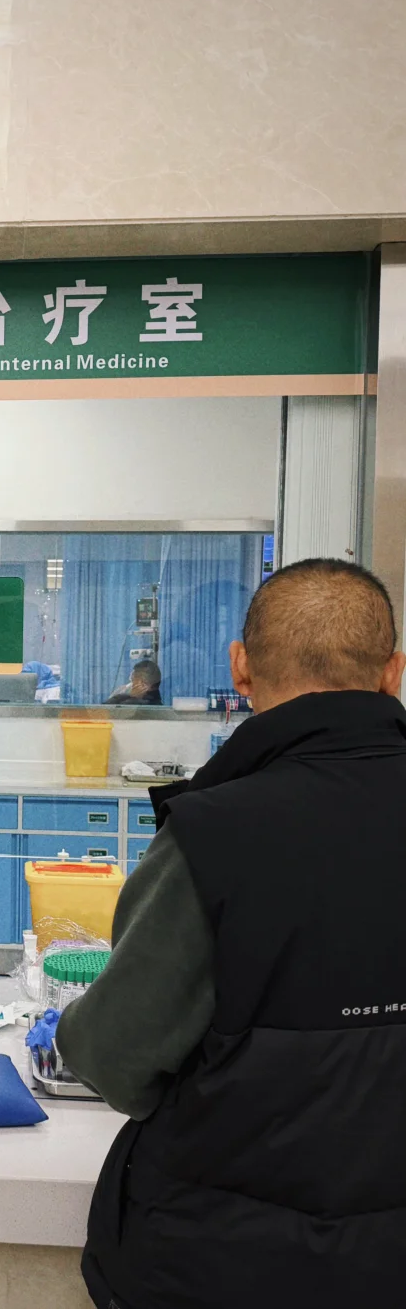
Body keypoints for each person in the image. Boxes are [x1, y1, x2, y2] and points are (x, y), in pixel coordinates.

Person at [56, 558, 406, 1309]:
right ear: (392, 673)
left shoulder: (216, 835)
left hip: (221, 1262)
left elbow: (112, 1056)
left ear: (240, 667)